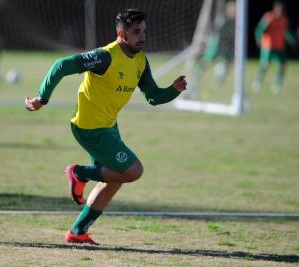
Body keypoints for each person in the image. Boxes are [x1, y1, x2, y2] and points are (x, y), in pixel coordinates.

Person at [25, 9, 187, 245]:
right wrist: (43, 97)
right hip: (89, 128)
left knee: (116, 178)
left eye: (144, 31)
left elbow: (152, 96)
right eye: (136, 32)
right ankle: (79, 173)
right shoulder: (105, 57)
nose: (142, 37)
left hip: (108, 127)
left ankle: (77, 232)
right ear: (121, 34)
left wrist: (173, 90)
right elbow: (62, 65)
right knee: (133, 171)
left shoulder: (141, 61)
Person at [191, 1, 236, 100]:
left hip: (225, 48)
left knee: (229, 64)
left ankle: (219, 75)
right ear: (227, 9)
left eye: (235, 9)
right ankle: (195, 80)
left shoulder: (235, 23)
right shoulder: (222, 20)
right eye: (232, 9)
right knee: (205, 63)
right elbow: (216, 33)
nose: (234, 11)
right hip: (216, 46)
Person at [252, 1, 295, 94]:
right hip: (268, 46)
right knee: (265, 64)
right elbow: (259, 29)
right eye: (278, 9)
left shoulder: (284, 20)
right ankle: (258, 81)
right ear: (274, 9)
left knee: (283, 65)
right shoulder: (269, 18)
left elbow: (286, 32)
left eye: (281, 9)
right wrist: (258, 38)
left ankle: (277, 84)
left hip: (279, 46)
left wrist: (291, 40)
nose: (279, 11)